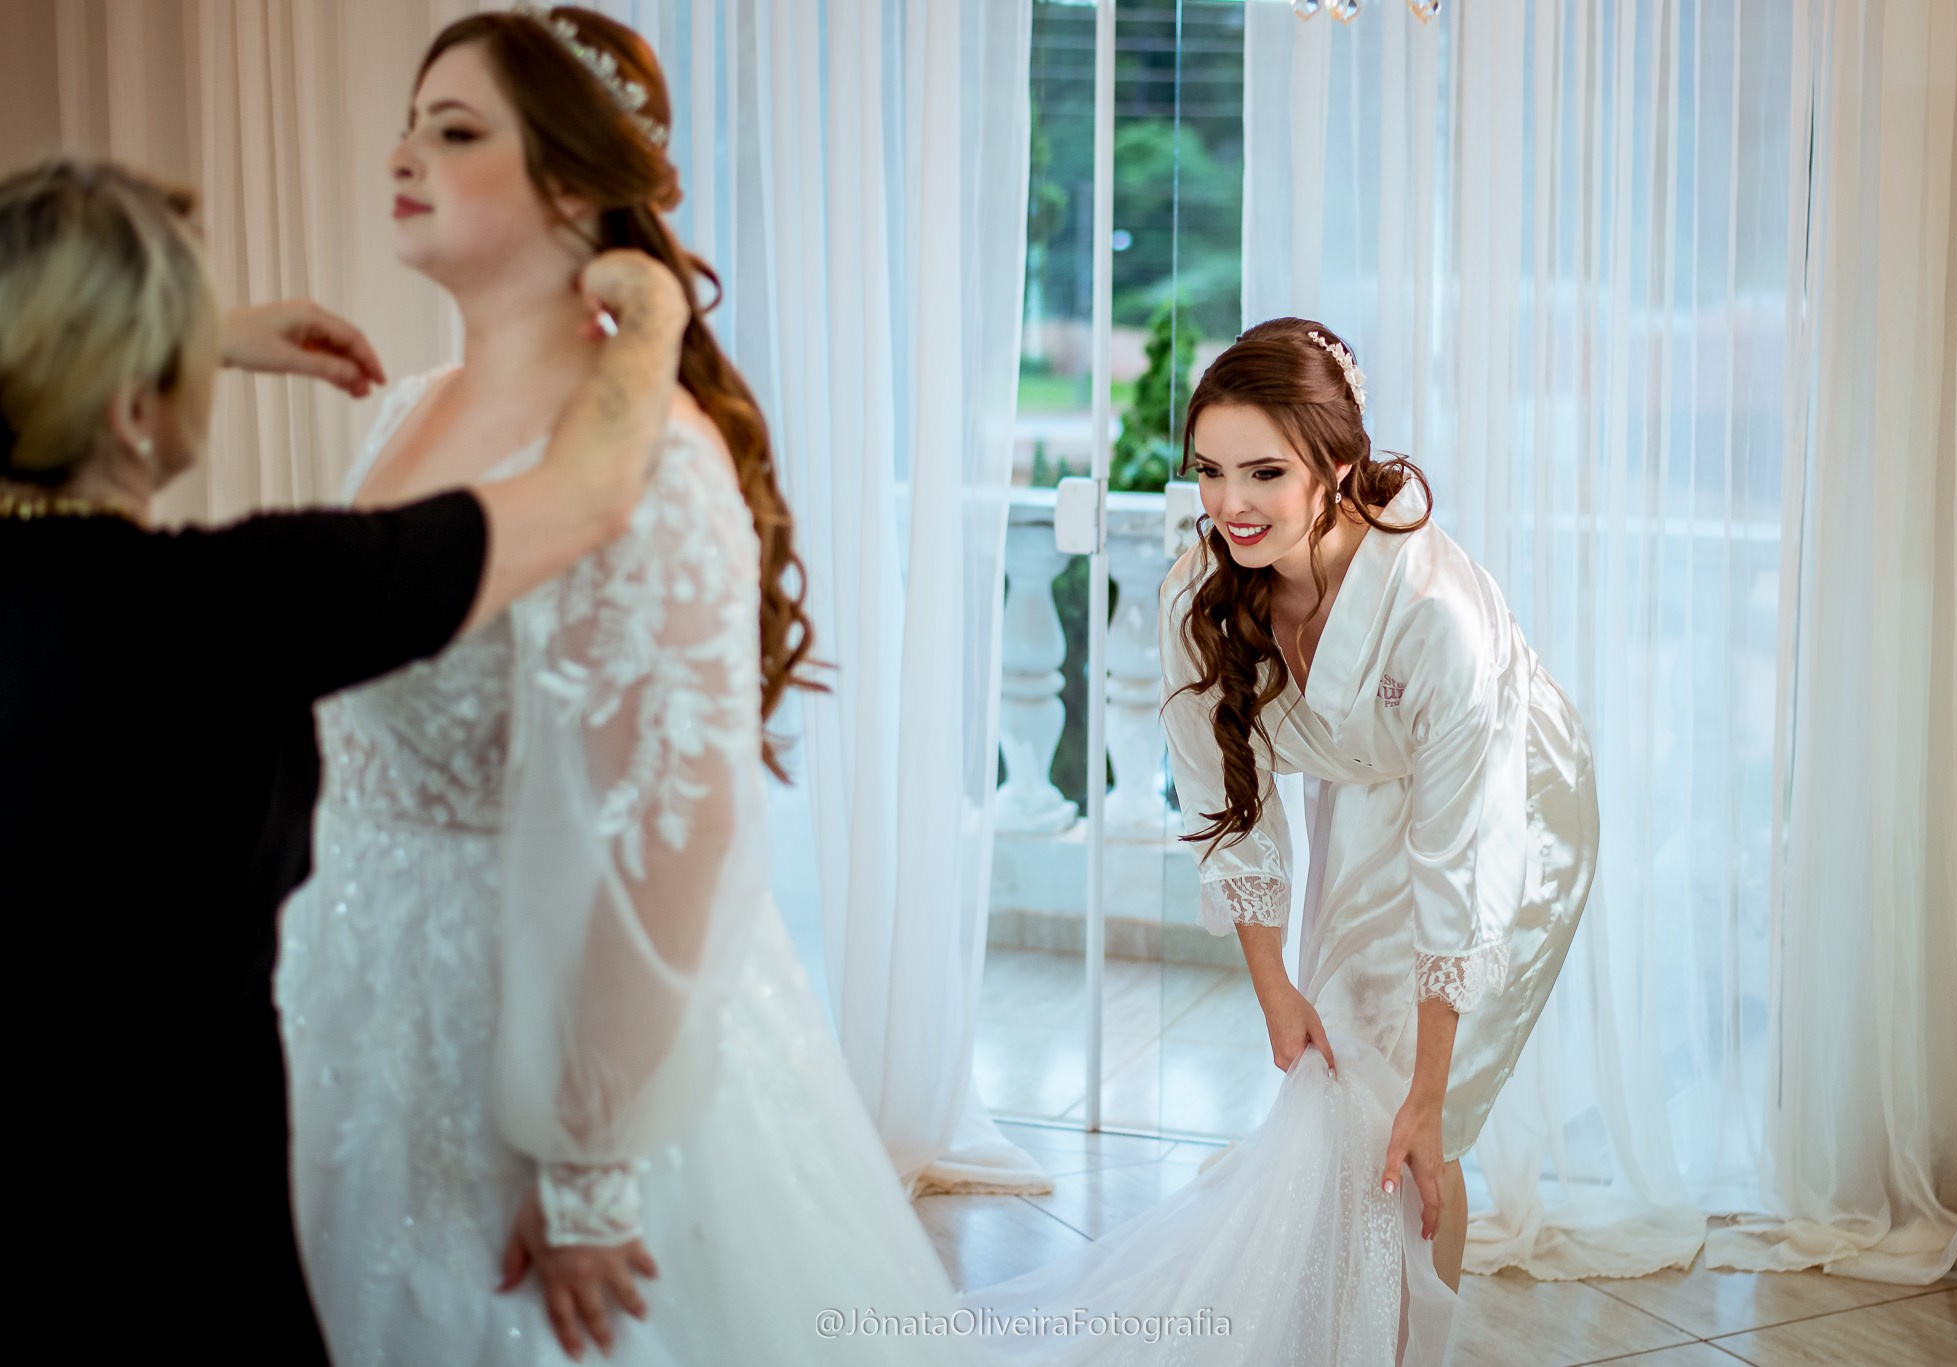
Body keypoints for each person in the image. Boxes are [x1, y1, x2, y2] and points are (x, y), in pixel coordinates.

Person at [276, 9, 984, 1364]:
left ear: (576, 181)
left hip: (538, 1043)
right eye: (412, 121)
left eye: (458, 128)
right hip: (353, 1001)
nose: (404, 151)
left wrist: (590, 1158)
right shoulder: (401, 408)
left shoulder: (653, 458)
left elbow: (673, 827)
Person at [0, 156, 686, 1360]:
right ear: (130, 410)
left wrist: (178, 338)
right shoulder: (229, 604)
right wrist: (654, 328)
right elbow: (587, 489)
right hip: (162, 1217)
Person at [965, 320, 1598, 1365]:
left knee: (1406, 1114)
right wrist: (1272, 984)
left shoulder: (1438, 619)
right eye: (1210, 470)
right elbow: (1227, 802)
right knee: (1335, 1078)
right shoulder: (1198, 594)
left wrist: (1430, 1093)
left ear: (1337, 467)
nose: (1229, 503)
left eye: (1264, 470)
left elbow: (1459, 866)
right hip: (1367, 788)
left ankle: (1406, 1344)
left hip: (1513, 806)